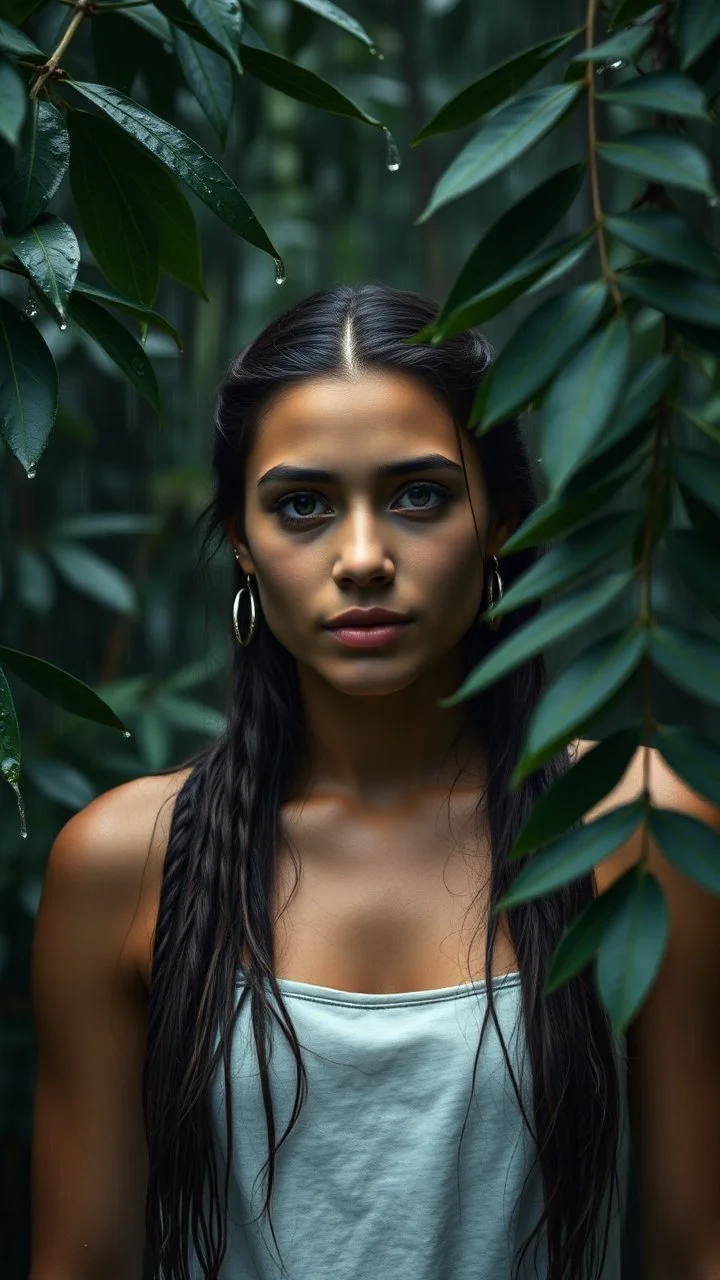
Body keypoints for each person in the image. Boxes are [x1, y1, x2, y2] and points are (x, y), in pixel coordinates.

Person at [29, 285, 720, 1280]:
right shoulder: (125, 860)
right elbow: (81, 1260)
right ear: (240, 539)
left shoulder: (633, 828)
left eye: (419, 494)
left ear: (501, 523)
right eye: (302, 504)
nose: (362, 558)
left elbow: (696, 1247)